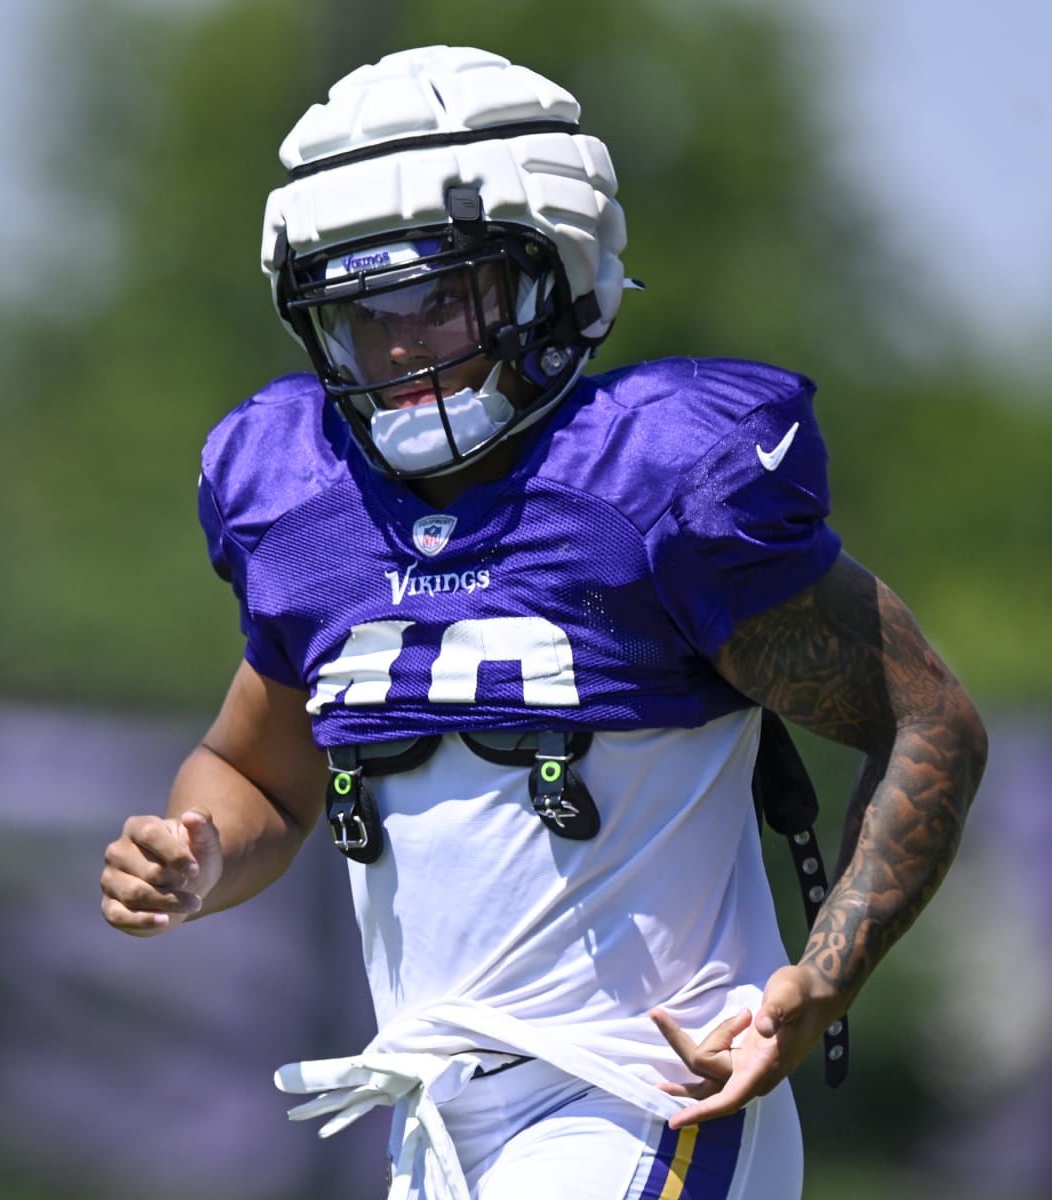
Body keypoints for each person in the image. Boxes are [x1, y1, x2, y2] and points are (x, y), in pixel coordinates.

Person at [97, 44, 989, 1200]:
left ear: (551, 276)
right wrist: (198, 854)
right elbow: (256, 776)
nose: (398, 344)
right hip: (432, 1121)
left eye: (435, 298)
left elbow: (928, 720)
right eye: (362, 310)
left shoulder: (656, 487)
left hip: (643, 1096)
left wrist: (821, 979)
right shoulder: (307, 514)